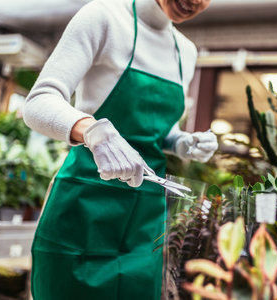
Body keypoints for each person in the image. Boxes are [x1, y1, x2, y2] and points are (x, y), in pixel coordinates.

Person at [22, 0, 216, 298]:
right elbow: (38, 103)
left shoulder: (185, 52)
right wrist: (92, 131)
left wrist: (182, 143)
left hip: (144, 218)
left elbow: (157, 131)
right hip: (84, 205)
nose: (195, 1)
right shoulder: (104, 17)